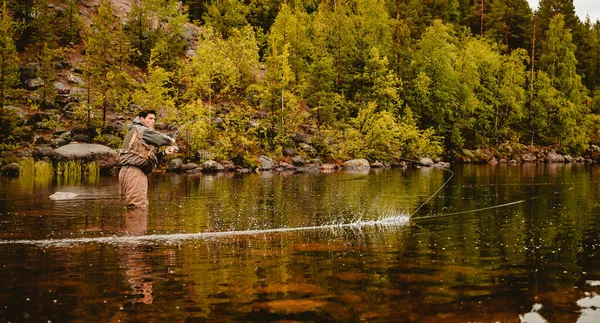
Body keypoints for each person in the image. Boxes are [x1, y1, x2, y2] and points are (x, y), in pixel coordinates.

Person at [118, 108, 177, 208]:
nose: (153, 121)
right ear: (142, 119)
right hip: (134, 173)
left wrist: (164, 153)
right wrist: (172, 140)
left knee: (137, 206)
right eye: (150, 118)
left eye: (154, 119)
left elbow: (143, 155)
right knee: (138, 208)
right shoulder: (142, 130)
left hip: (129, 171)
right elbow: (162, 139)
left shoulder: (135, 131)